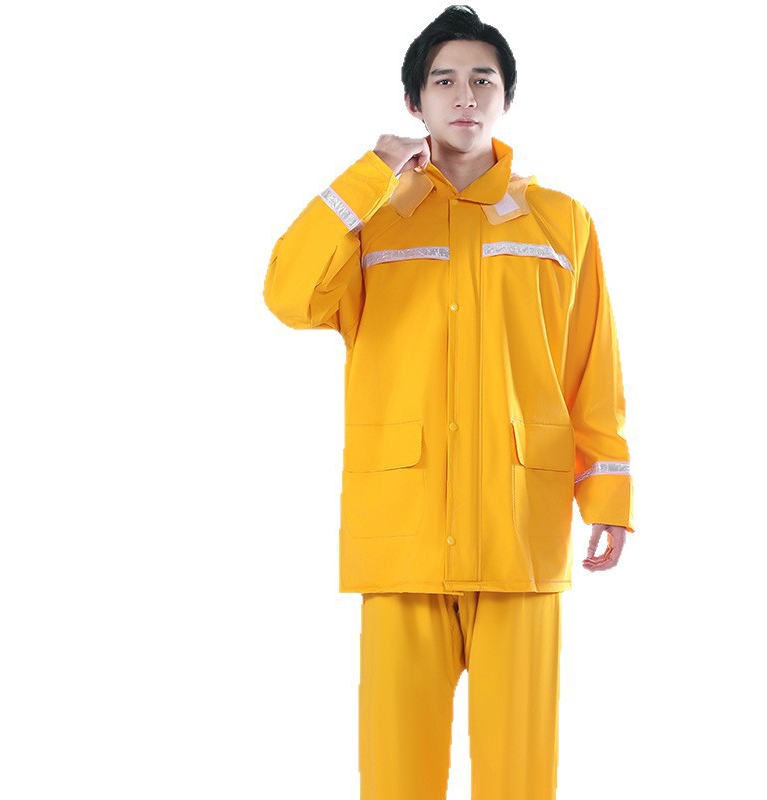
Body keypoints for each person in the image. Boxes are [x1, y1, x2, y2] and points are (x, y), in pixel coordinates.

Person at [263, 5, 635, 799]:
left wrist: (606, 493)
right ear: (414, 102)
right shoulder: (372, 221)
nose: (464, 95)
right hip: (403, 534)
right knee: (396, 779)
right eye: (443, 80)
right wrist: (369, 175)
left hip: (519, 533)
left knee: (519, 780)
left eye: (482, 80)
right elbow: (287, 296)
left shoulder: (562, 222)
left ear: (506, 97)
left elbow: (591, 367)